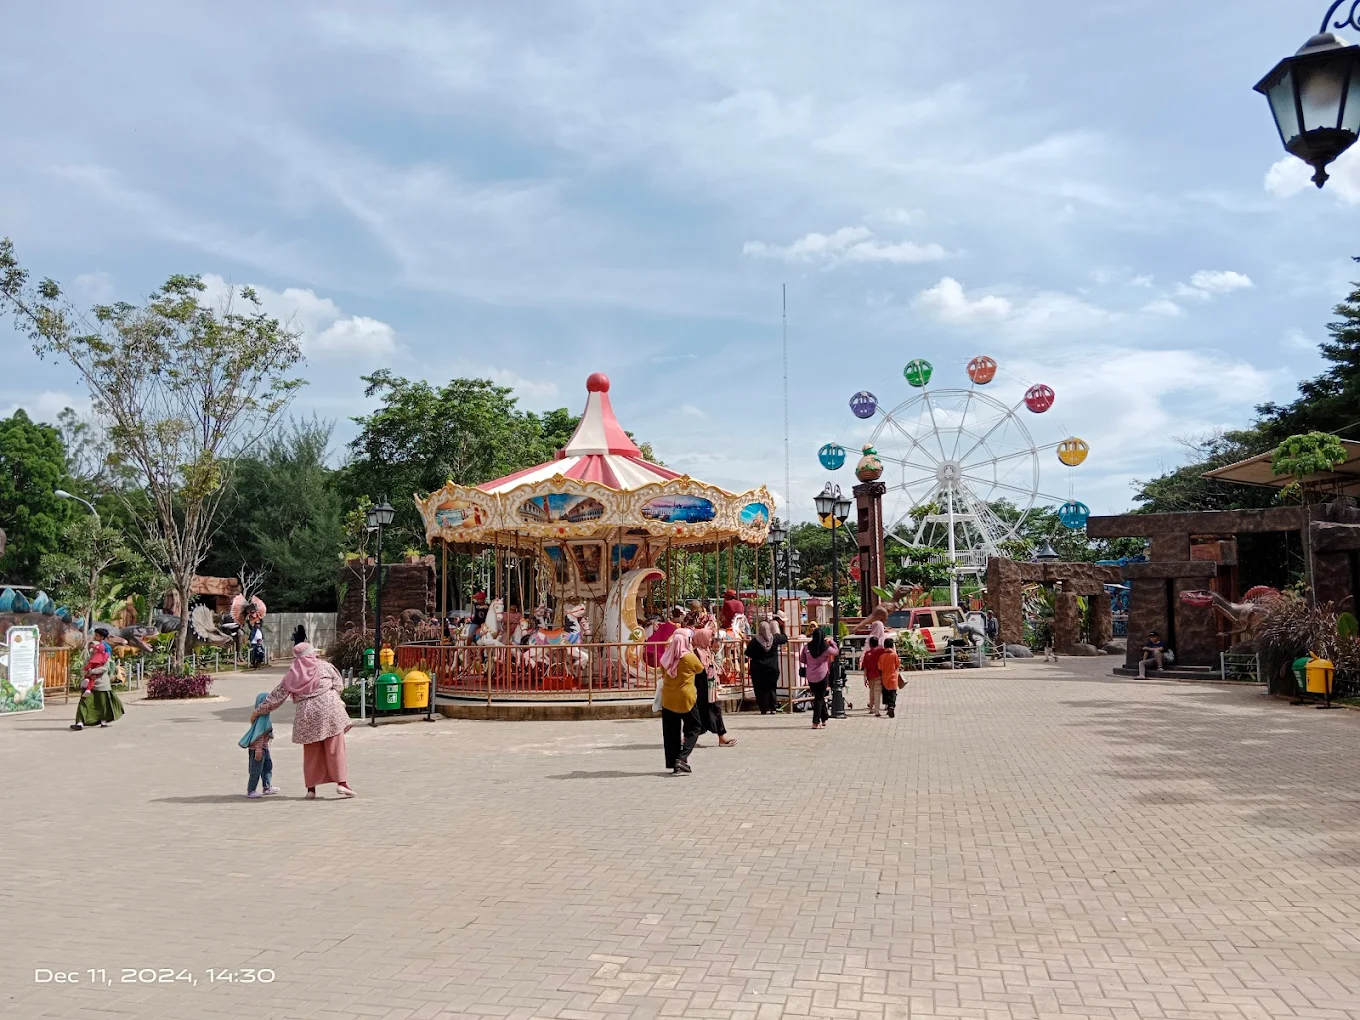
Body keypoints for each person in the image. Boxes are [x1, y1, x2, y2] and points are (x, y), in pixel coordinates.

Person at [252, 642, 355, 799]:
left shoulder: (293, 674)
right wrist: (334, 695)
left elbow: (276, 697)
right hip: (330, 709)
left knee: (311, 752)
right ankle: (342, 783)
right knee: (335, 747)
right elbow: (339, 684)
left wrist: (258, 711)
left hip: (306, 713)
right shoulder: (325, 666)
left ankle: (311, 789)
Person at [658, 629, 703, 774]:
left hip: (668, 699)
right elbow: (700, 669)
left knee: (671, 732)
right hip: (685, 698)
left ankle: (673, 762)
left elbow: (664, 672)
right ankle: (682, 758)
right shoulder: (689, 657)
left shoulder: (666, 657)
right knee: (694, 727)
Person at [72, 627, 123, 730]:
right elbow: (85, 666)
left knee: (102, 703)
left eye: (97, 635)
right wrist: (84, 673)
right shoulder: (91, 655)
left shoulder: (106, 650)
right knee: (84, 701)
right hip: (89, 682)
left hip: (101, 682)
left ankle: (103, 721)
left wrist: (94, 672)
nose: (92, 648)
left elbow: (107, 666)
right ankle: (80, 723)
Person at [692, 628, 736, 746]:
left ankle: (721, 737)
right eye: (708, 637)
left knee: (714, 710)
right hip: (702, 688)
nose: (710, 640)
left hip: (710, 688)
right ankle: (688, 739)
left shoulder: (706, 650)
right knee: (702, 713)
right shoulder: (696, 652)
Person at [239, 692, 280, 798]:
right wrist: (258, 750)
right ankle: (251, 790)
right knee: (255, 770)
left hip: (264, 748)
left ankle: (267, 786)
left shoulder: (264, 718)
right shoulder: (261, 720)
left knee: (267, 767)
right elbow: (259, 735)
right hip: (258, 749)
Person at [744, 618, 787, 714]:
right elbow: (785, 638)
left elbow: (747, 652)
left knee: (760, 689)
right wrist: (781, 627)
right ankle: (773, 707)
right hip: (772, 669)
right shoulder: (775, 639)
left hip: (758, 670)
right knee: (772, 688)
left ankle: (764, 708)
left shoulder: (755, 641)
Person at [800, 627, 838, 730]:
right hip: (822, 675)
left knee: (817, 696)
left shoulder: (807, 647)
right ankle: (815, 722)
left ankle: (824, 718)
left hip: (811, 676)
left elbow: (802, 659)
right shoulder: (825, 647)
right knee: (819, 699)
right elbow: (836, 652)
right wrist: (832, 642)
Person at [862, 635, 885, 717]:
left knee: (871, 691)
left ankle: (871, 707)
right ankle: (877, 710)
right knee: (877, 692)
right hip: (878, 674)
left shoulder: (867, 654)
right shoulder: (881, 651)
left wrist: (864, 678)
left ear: (870, 644)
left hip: (870, 675)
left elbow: (865, 668)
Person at [879, 637, 902, 718]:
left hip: (885, 677)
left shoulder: (882, 656)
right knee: (893, 693)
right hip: (893, 677)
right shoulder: (894, 655)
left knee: (886, 693)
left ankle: (888, 706)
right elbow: (898, 665)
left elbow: (880, 667)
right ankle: (892, 706)